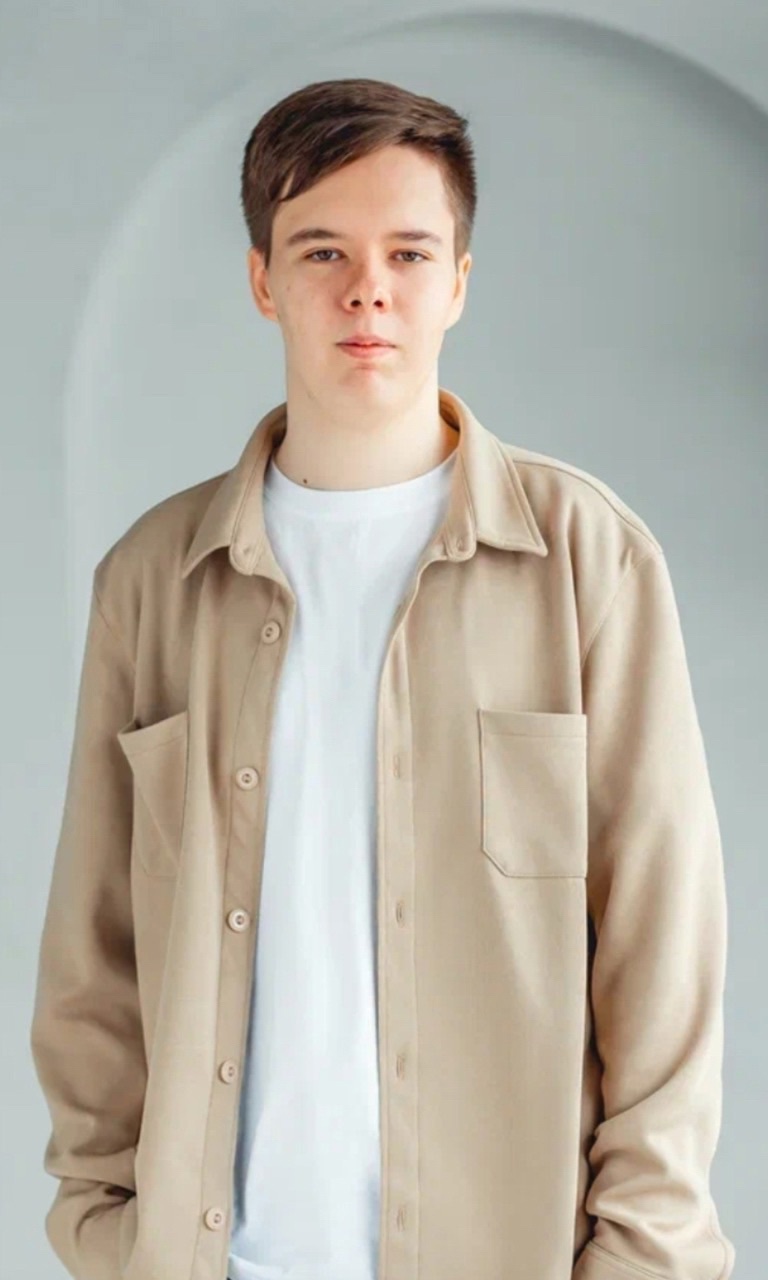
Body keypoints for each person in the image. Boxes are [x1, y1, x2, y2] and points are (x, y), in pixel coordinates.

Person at [30, 76, 735, 1280]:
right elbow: (92, 959)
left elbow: (664, 959)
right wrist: (107, 1231)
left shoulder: (589, 561)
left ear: (458, 280)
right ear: (262, 280)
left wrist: (643, 1258)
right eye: (323, 251)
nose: (368, 289)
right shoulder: (151, 581)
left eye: (409, 252)